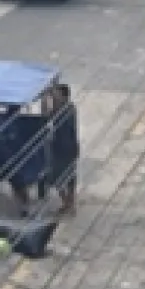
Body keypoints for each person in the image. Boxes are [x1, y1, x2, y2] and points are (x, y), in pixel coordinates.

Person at [46, 84, 80, 215]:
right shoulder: (62, 109)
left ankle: (69, 202)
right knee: (59, 177)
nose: (55, 97)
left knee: (64, 176)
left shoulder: (66, 110)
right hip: (60, 147)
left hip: (66, 148)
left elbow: (50, 117)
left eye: (57, 94)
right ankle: (68, 202)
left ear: (64, 96)